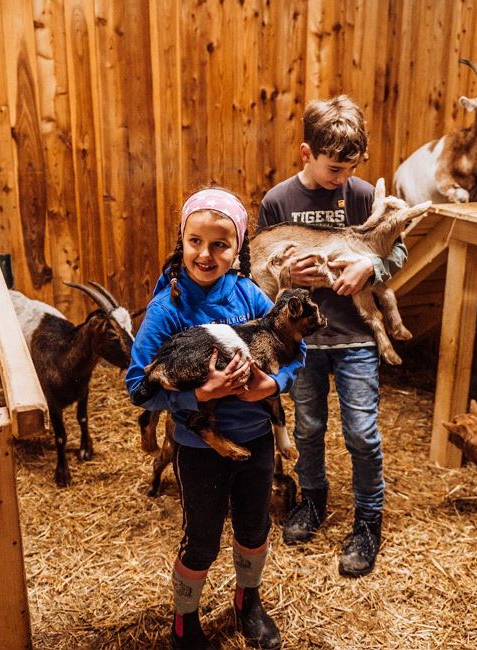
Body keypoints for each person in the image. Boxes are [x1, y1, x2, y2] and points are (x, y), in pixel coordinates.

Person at [127, 188, 306, 650]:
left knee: (254, 528)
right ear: (182, 241)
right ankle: (184, 622)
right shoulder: (168, 308)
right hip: (198, 449)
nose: (205, 254)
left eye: (220, 244)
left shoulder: (249, 294)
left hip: (256, 439)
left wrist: (274, 384)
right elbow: (137, 386)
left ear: (238, 248)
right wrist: (199, 395)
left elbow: (296, 349)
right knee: (202, 541)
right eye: (195, 241)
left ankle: (248, 602)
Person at [257, 95, 406, 578]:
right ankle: (313, 499)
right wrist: (287, 275)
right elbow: (259, 269)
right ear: (306, 153)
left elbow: (397, 251)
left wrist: (371, 266)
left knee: (361, 432)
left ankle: (368, 520)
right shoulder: (279, 201)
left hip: (355, 336)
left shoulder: (362, 196)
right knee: (308, 428)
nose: (341, 177)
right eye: (333, 168)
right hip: (302, 343)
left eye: (351, 168)